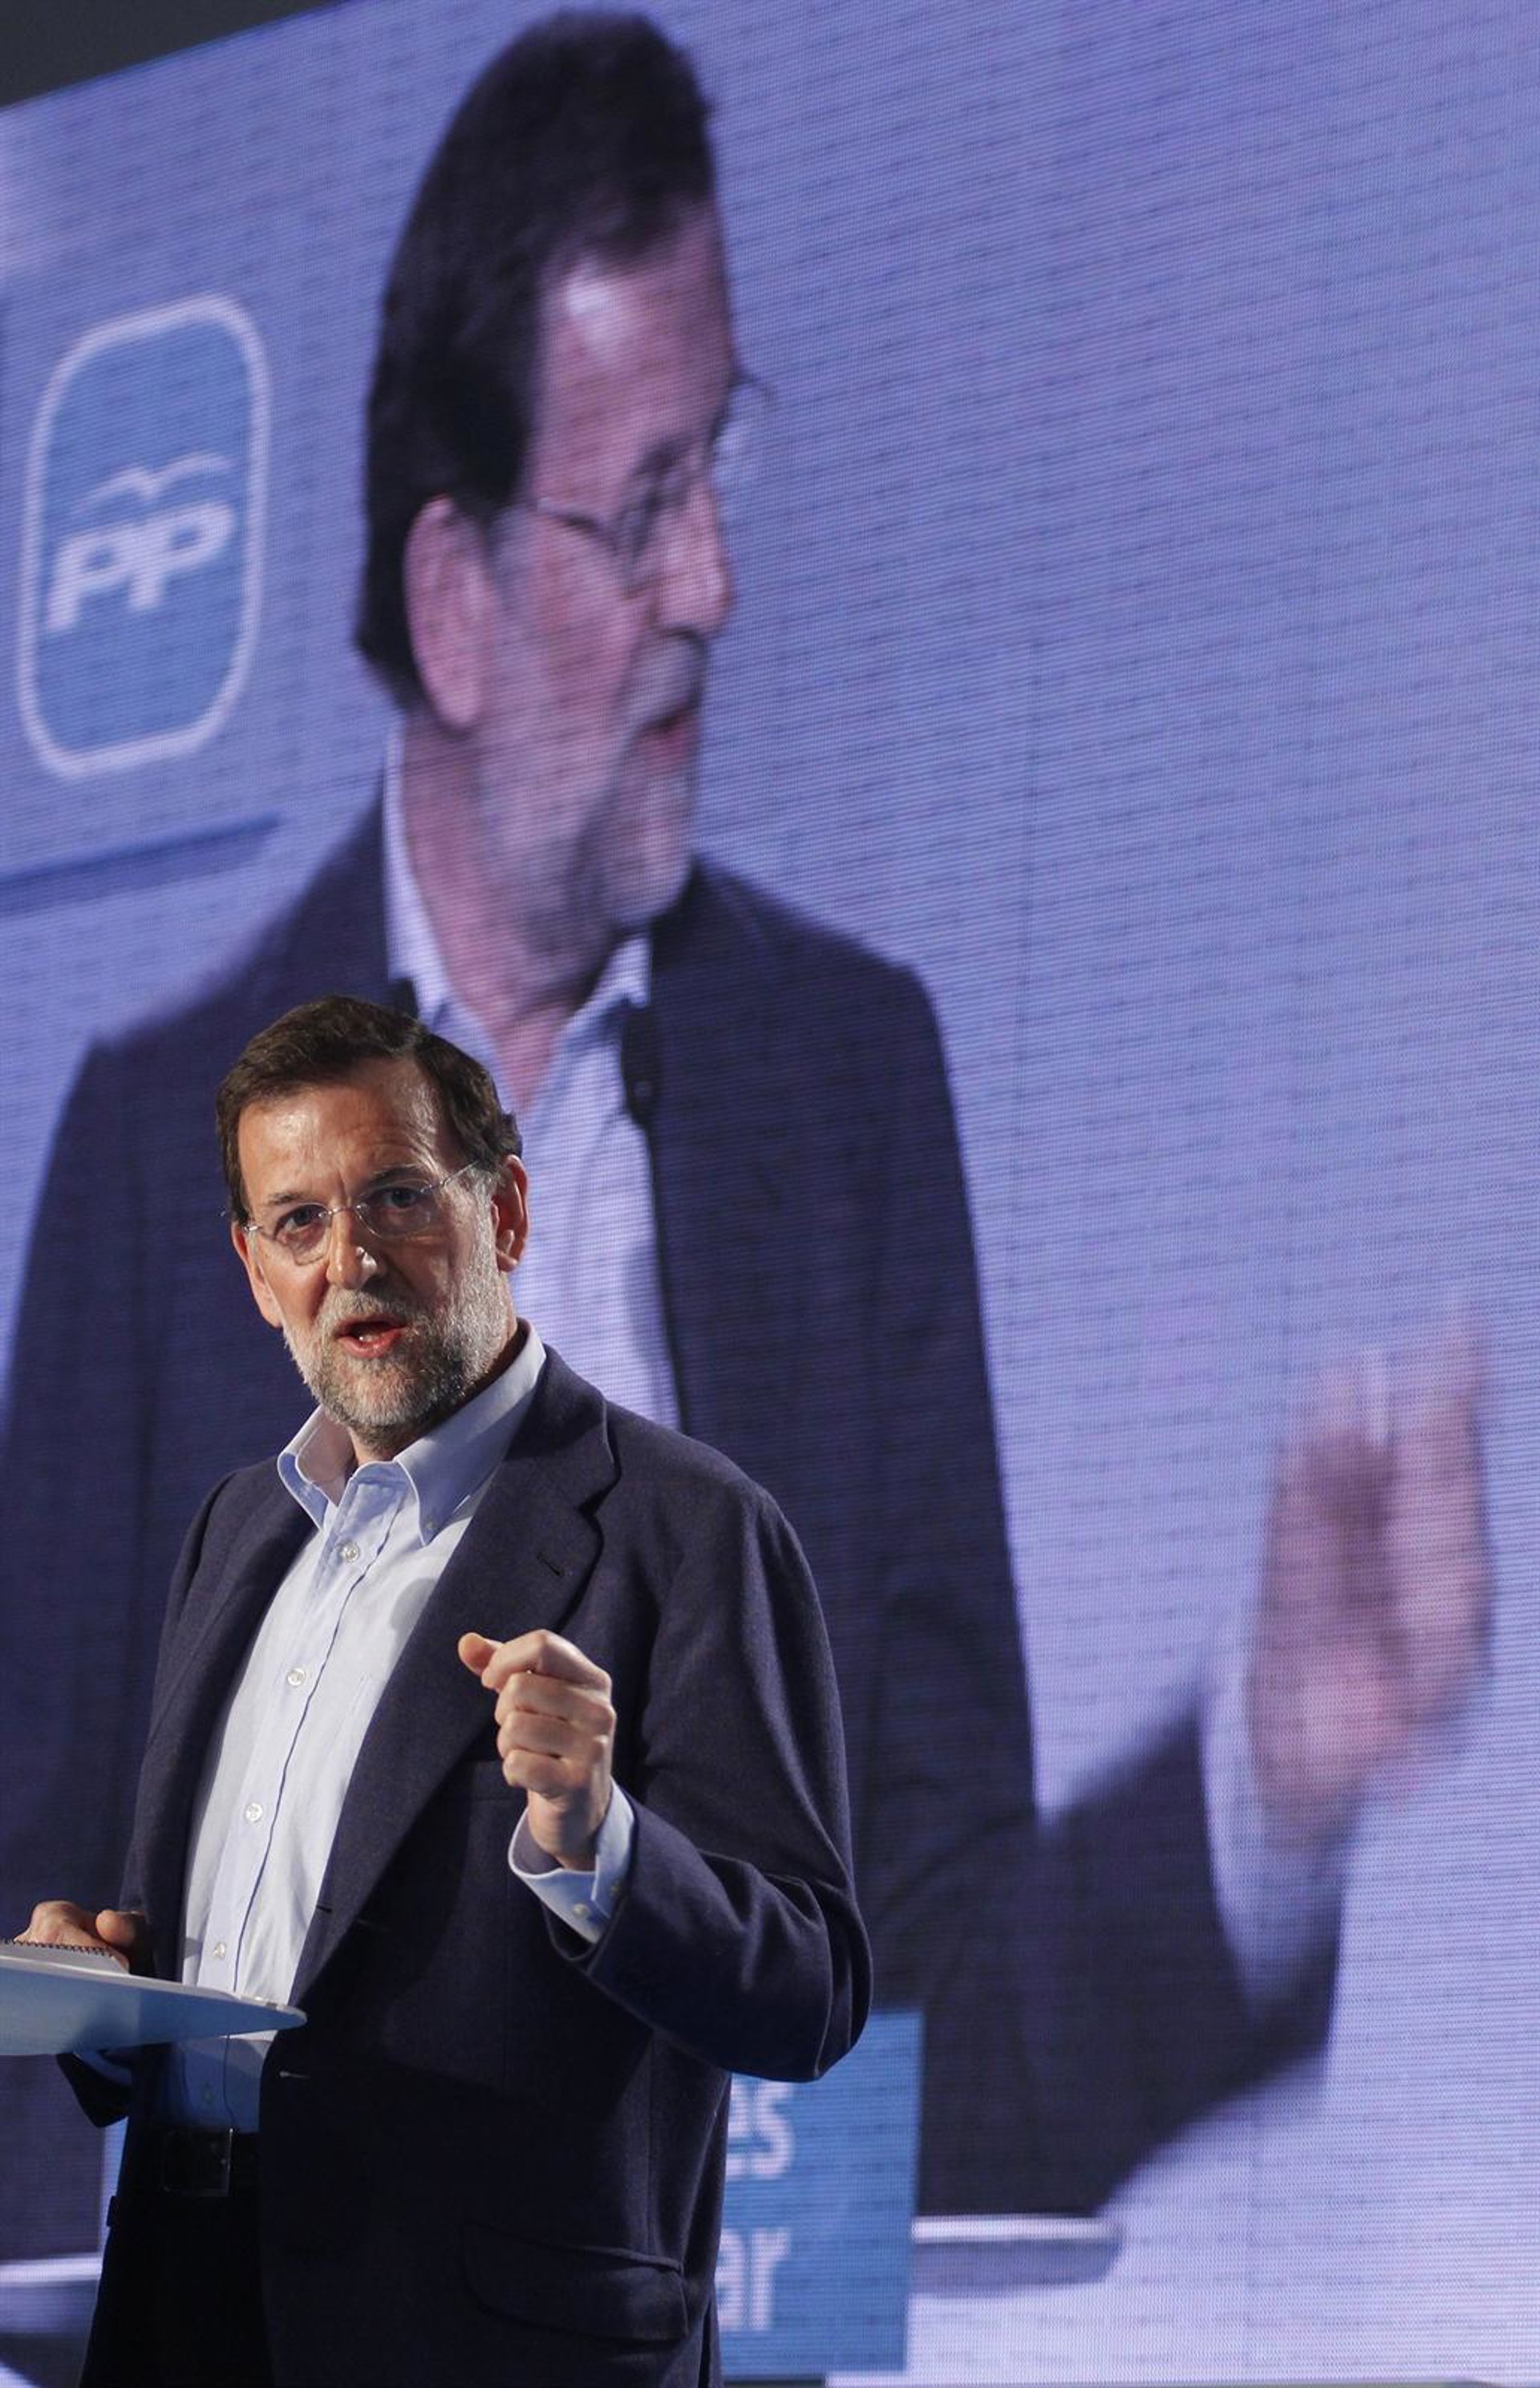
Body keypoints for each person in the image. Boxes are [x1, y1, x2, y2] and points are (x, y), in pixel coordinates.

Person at [0, 9, 1488, 2249]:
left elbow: (921, 2015)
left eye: (722, 472)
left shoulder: (843, 1082)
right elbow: (33, 1954)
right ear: (451, 601)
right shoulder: (152, 1150)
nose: (711, 582)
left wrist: (1267, 1771)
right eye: (639, 512)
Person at [24, 994, 868, 2388]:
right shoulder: (236, 1529)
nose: (351, 1258)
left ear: (507, 1211)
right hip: (183, 2309)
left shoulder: (687, 1527)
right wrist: (104, 1995)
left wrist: (601, 1843)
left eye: (398, 1197)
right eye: (299, 1221)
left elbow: (809, 1989)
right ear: (255, 1270)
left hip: (485, 2345)